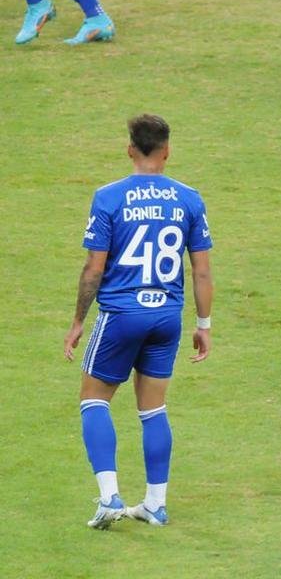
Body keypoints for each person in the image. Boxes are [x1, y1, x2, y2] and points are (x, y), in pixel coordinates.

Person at [64, 114, 212, 529]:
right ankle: (155, 503)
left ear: (130, 149)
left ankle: (110, 497)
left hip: (121, 315)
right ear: (167, 151)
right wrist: (204, 323)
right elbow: (201, 270)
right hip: (167, 316)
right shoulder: (189, 198)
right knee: (153, 409)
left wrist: (78, 320)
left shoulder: (109, 197)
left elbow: (94, 268)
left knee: (94, 400)